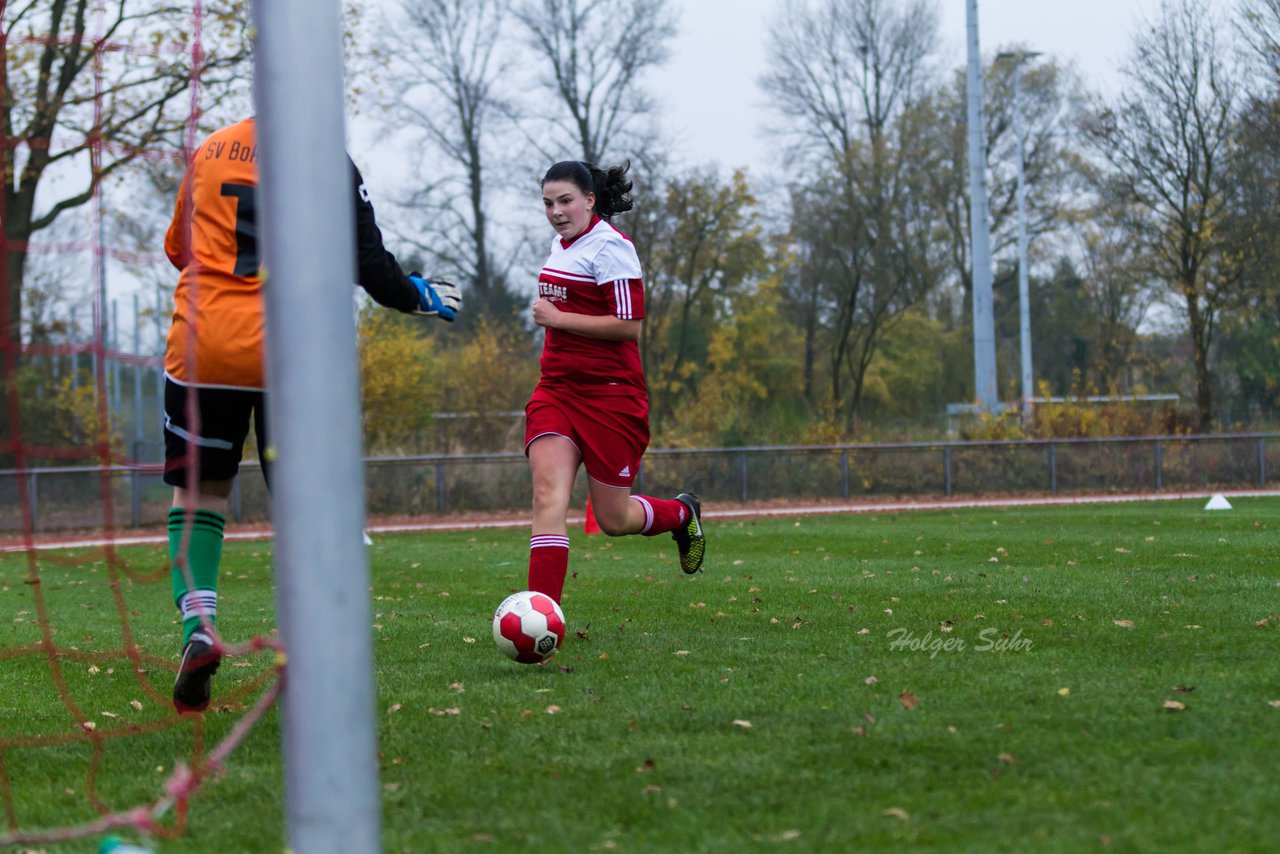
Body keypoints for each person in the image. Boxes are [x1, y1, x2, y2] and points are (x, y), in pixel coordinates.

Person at [163, 117, 461, 712]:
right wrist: (420, 295)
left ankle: (200, 627)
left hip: (205, 347)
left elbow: (178, 249)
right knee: (301, 503)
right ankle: (309, 644)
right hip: (292, 358)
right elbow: (371, 268)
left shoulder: (211, 149)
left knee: (202, 495)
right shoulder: (327, 158)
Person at [524, 159, 705, 606]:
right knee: (548, 497)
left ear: (590, 200)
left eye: (565, 201)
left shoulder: (611, 248)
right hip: (557, 392)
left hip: (610, 399)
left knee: (613, 518)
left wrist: (558, 317)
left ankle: (682, 515)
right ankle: (543, 618)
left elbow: (629, 326)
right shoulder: (559, 245)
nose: (556, 211)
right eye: (548, 203)